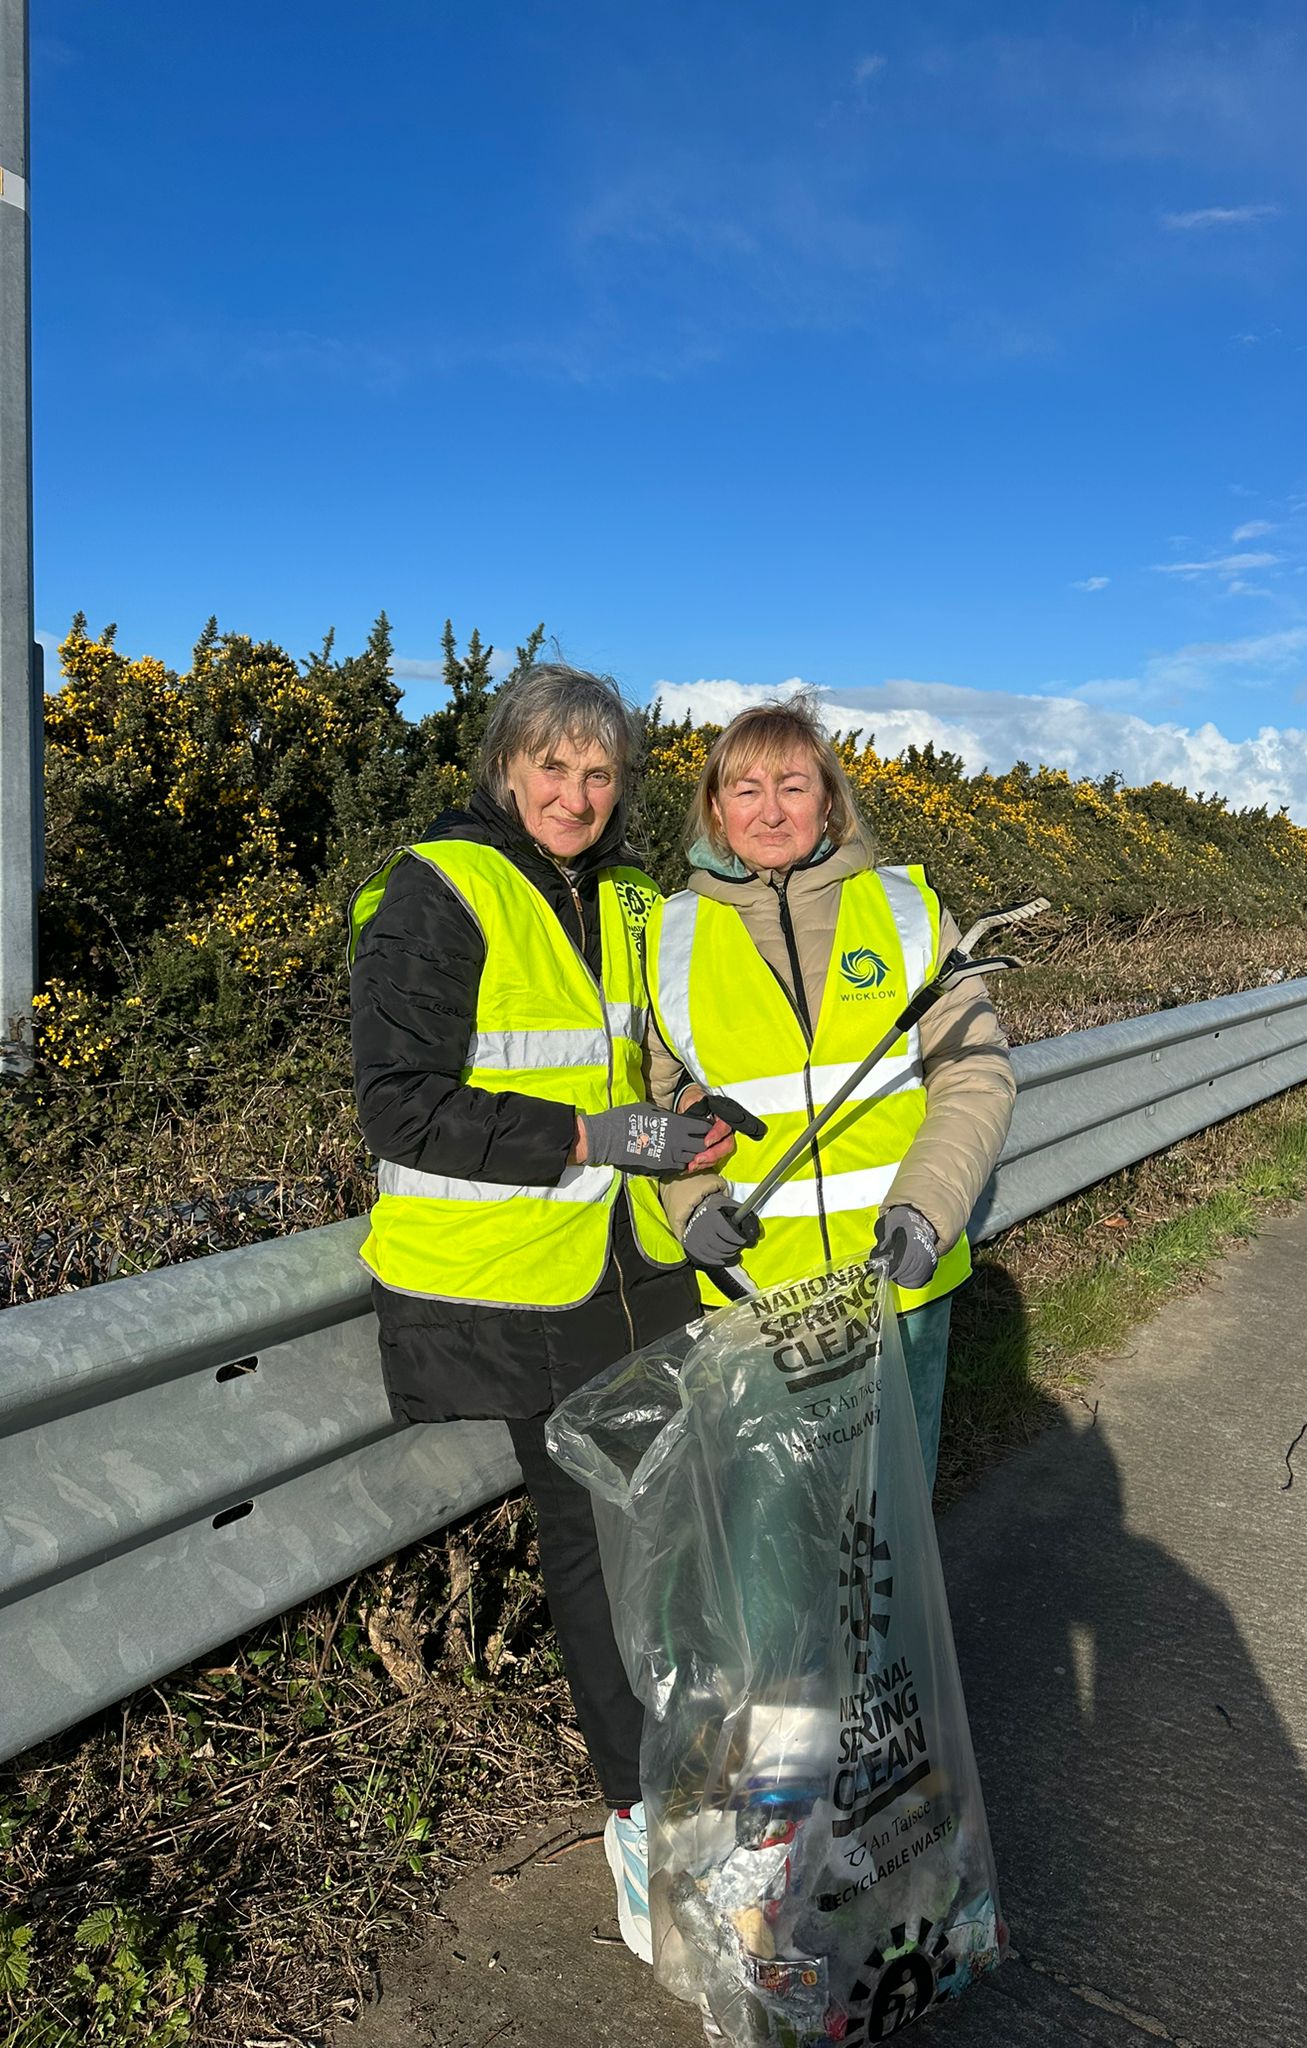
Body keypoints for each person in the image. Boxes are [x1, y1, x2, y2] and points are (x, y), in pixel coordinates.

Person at [348, 662, 733, 1969]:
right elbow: (400, 1102)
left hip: (638, 1270)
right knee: (600, 1548)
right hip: (520, 1287)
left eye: (599, 771)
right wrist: (591, 1130)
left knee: (676, 1536)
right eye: (550, 766)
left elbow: (662, 1060)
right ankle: (642, 1829)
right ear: (507, 768)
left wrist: (691, 1126)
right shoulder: (441, 887)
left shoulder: (631, 901)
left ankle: (703, 1793)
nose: (573, 793)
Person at [644, 695, 1016, 1490]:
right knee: (771, 1546)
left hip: (897, 1289)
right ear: (715, 806)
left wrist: (929, 1210)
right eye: (746, 789)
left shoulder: (907, 911)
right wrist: (694, 1205)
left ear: (829, 802)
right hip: (754, 1304)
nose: (770, 811)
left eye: (793, 786)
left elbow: (975, 1070)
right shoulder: (668, 936)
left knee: (887, 1545)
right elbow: (665, 1104)